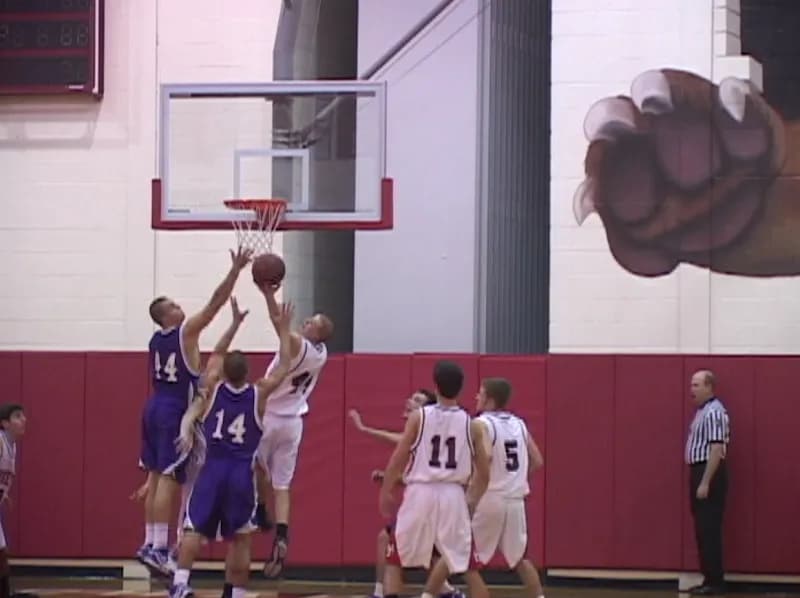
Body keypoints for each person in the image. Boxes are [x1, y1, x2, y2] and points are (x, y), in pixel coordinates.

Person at [169, 292, 295, 598]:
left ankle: (180, 584)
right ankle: (237, 593)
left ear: (224, 371)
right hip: (241, 476)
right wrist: (282, 329)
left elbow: (216, 353)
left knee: (193, 530)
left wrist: (235, 323)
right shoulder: (260, 394)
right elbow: (286, 365)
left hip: (212, 471)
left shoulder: (211, 388)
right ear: (248, 373)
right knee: (241, 538)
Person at [137, 246, 253, 574]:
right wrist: (235, 272)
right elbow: (214, 304)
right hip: (175, 412)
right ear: (165, 316)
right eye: (172, 305)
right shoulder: (185, 333)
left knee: (158, 476)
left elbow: (213, 356)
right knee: (170, 478)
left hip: (154, 406)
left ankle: (151, 543)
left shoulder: (155, 340)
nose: (178, 306)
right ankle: (160, 548)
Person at [379, 361, 491, 598]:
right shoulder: (472, 425)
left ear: (436, 386)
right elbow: (484, 472)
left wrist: (386, 490)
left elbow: (398, 458)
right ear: (461, 389)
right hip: (453, 495)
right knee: (467, 565)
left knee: (394, 559)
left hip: (420, 492)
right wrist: (472, 499)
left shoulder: (419, 417)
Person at [349, 390, 462, 598]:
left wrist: (363, 429)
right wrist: (388, 478)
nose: (409, 401)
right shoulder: (436, 432)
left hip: (428, 501)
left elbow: (397, 444)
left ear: (426, 410)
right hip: (440, 500)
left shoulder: (421, 432)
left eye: (417, 400)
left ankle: (383, 592)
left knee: (392, 544)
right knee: (422, 550)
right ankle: (447, 592)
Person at [255, 284, 334, 578]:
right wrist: (285, 326)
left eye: (312, 323)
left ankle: (261, 510)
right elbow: (283, 330)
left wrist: (266, 294)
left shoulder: (300, 347)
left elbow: (279, 324)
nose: (306, 323)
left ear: (318, 334)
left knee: (255, 465)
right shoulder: (321, 354)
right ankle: (282, 535)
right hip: (294, 421)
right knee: (283, 485)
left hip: (270, 416)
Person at [470, 378, 545, 598]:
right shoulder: (519, 423)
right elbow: (537, 460)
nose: (476, 397)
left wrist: (471, 496)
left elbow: (487, 458)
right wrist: (516, 479)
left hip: (490, 496)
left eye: (480, 393)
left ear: (490, 400)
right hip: (515, 499)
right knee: (520, 558)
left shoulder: (482, 423)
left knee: (462, 554)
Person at [685, 370, 730, 596]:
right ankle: (708, 578)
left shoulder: (714, 412)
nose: (691, 389)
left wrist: (705, 482)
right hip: (699, 471)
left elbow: (716, 449)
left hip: (708, 472)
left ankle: (715, 581)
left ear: (709, 387)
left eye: (696, 385)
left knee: (709, 529)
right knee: (702, 529)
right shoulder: (702, 412)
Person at [0, 404, 37, 598]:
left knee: (2, 556)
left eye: (23, 415)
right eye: (17, 416)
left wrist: (3, 494)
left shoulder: (11, 446)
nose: (23, 419)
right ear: (4, 423)